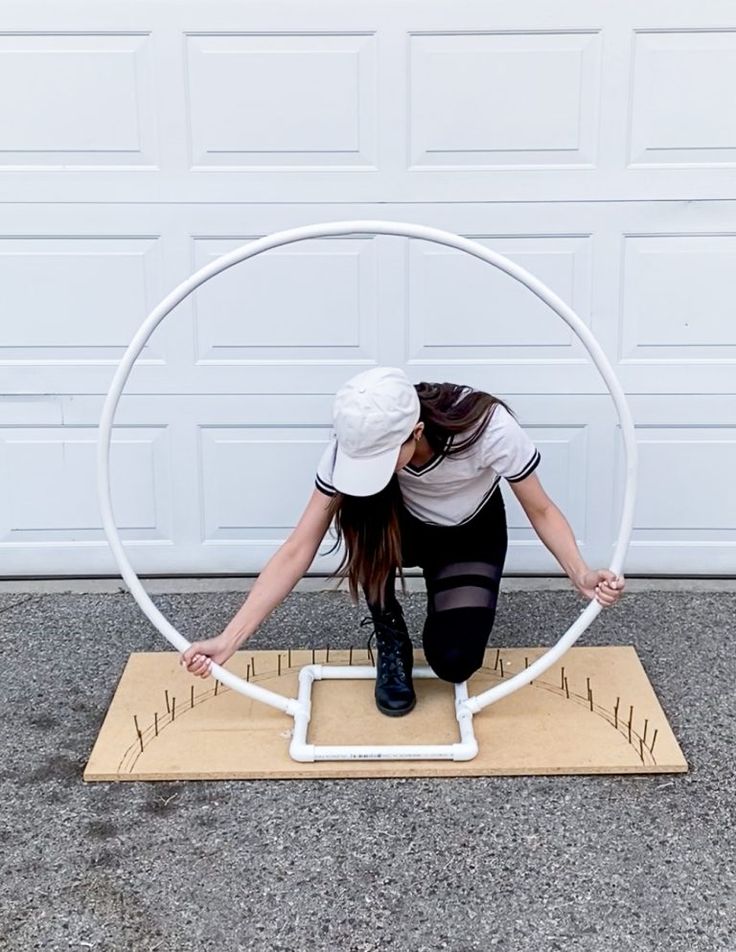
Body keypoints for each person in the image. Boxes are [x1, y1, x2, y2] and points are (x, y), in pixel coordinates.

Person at [180, 366, 624, 716]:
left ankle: (443, 602)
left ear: (415, 432)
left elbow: (542, 508)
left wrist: (580, 572)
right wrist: (230, 638)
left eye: (380, 459)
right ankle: (390, 632)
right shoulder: (349, 444)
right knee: (359, 503)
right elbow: (299, 547)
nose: (370, 467)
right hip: (396, 527)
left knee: (453, 662)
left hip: (468, 529)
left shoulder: (488, 428)